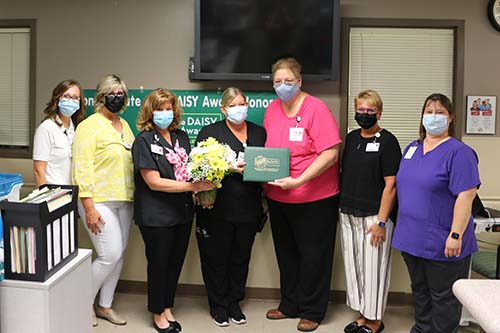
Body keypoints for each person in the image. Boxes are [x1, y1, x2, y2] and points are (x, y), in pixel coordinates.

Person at [263, 58, 341, 332]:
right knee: (287, 254)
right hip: (278, 197)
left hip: (315, 198)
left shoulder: (316, 109)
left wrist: (299, 180)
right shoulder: (272, 109)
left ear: (300, 81)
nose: (282, 86)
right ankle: (290, 303)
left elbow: (330, 154)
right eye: (277, 82)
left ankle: (312, 310)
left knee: (313, 256)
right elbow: (270, 150)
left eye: (288, 81)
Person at [392, 93, 480, 333]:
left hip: (443, 240)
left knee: (444, 299)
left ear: (450, 118)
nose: (433, 117)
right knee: (420, 292)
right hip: (412, 239)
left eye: (440, 112)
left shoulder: (459, 153)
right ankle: (422, 329)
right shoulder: (412, 148)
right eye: (429, 111)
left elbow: (466, 195)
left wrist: (455, 235)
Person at [132, 88, 214, 333]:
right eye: (159, 109)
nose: (165, 113)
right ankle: (157, 313)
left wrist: (203, 189)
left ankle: (167, 306)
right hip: (156, 215)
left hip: (182, 212)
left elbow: (190, 169)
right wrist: (192, 186)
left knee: (174, 262)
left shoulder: (182, 137)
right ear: (150, 112)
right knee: (159, 263)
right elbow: (153, 181)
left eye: (169, 109)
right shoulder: (144, 141)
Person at [195, 87, 267, 327]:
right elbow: (199, 168)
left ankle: (235, 301)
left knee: (240, 257)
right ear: (223, 109)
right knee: (217, 257)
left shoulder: (259, 133)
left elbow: (267, 164)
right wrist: (228, 168)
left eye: (243, 103)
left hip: (249, 207)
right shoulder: (210, 133)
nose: (240, 108)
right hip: (219, 207)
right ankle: (218, 305)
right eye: (234, 105)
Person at [72, 74, 134, 327]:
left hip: (125, 199)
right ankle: (78, 302)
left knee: (118, 257)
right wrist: (88, 207)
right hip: (98, 200)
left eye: (121, 94)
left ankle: (104, 306)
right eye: (112, 93)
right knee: (110, 254)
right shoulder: (88, 126)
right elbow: (81, 168)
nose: (117, 98)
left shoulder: (125, 125)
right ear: (100, 97)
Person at [339, 90, 401, 333]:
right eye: (360, 110)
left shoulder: (388, 141)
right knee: (355, 269)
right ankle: (363, 315)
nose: (364, 114)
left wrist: (382, 222)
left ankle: (375, 321)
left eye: (370, 110)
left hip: (375, 216)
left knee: (374, 269)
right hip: (348, 213)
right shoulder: (352, 138)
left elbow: (391, 185)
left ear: (379, 113)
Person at [33, 79, 85, 186]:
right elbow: (39, 171)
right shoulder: (46, 128)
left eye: (75, 97)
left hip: (72, 194)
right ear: (57, 99)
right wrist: (44, 199)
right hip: (53, 196)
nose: (71, 100)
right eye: (66, 96)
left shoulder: (76, 129)